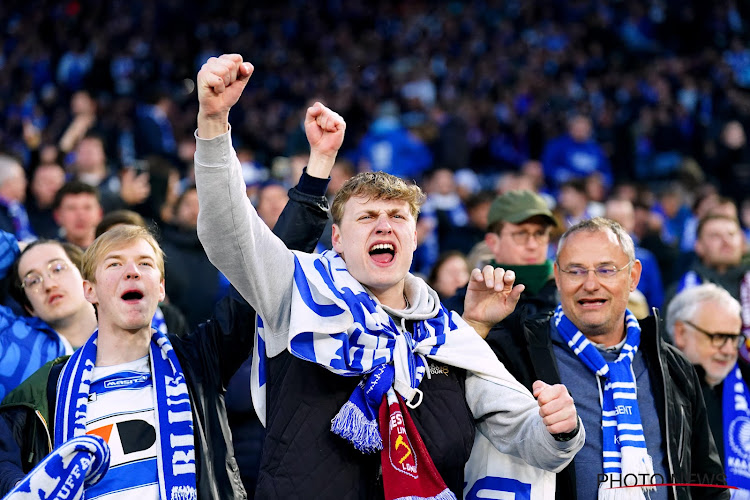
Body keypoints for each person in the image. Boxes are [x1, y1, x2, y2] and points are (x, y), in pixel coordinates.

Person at [194, 54, 584, 500]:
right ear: (337, 238)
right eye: (368, 217)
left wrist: (560, 428)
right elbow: (229, 231)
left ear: (414, 238)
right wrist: (213, 121)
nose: (384, 226)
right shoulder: (298, 290)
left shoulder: (450, 335)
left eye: (398, 216)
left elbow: (527, 439)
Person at [0, 153, 333, 497]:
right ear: (91, 290)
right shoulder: (45, 390)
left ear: (160, 288)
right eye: (114, 264)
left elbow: (265, 274)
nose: (131, 271)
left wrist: (315, 176)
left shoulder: (198, 362)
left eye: (144, 263)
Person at [486, 216, 729, 499]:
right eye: (575, 271)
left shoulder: (672, 366)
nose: (591, 284)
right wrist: (478, 325)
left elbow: (709, 484)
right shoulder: (517, 354)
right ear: (558, 277)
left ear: (633, 277)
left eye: (606, 270)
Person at [666, 284, 750, 495]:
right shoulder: (653, 386)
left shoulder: (746, 382)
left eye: (734, 339)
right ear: (681, 333)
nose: (729, 350)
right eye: (719, 337)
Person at [444, 189, 559, 325]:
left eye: (540, 233)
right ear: (493, 243)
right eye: (521, 234)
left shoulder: (569, 295)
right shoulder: (464, 306)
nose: (532, 245)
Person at [52, 181, 103, 250]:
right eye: (71, 208)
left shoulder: (111, 250)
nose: (80, 216)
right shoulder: (50, 253)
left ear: (99, 213)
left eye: (87, 208)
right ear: (57, 215)